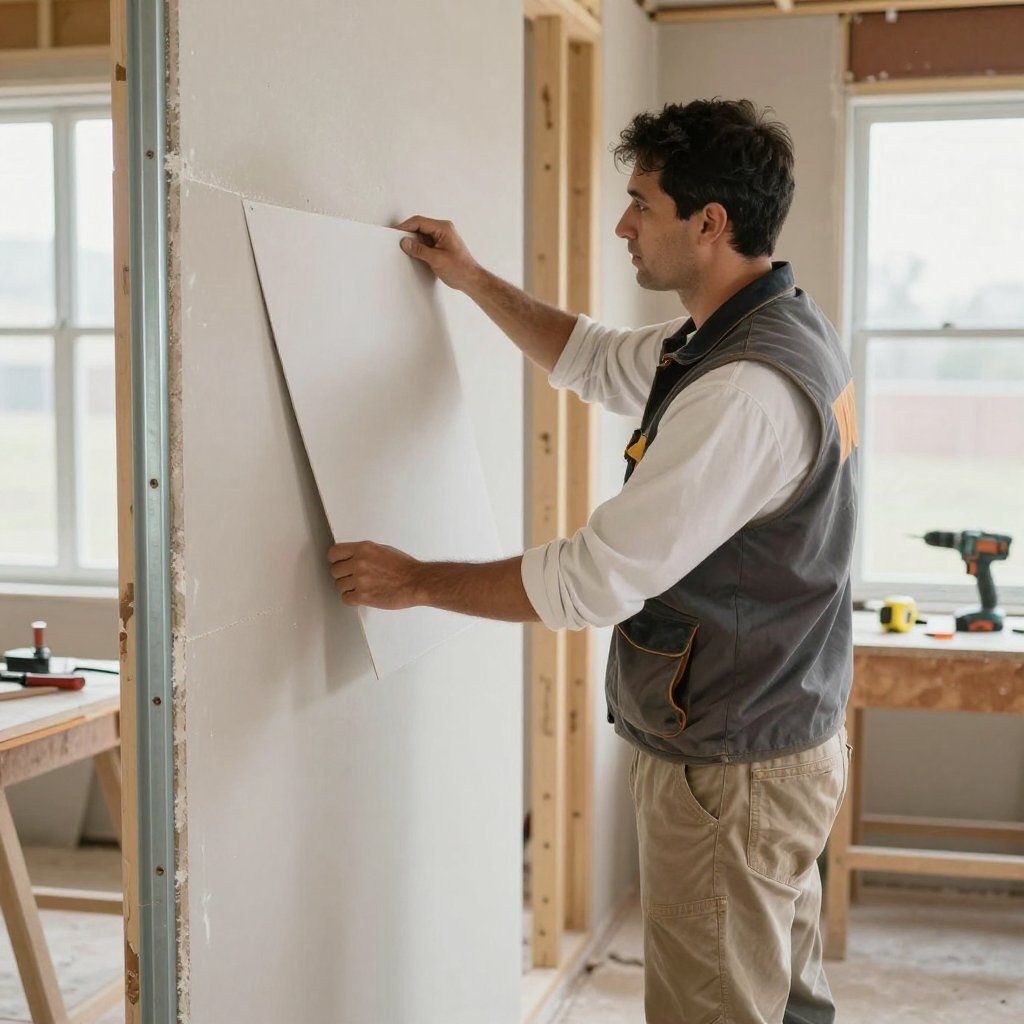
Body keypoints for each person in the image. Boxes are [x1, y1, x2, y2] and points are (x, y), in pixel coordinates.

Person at [327, 98, 858, 1024]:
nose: (623, 225)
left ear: (710, 223)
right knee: (784, 1003)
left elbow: (592, 580)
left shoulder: (744, 389)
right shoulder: (750, 329)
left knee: (718, 1009)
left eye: (641, 203)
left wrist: (412, 581)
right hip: (777, 731)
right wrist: (473, 279)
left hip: (733, 768)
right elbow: (598, 360)